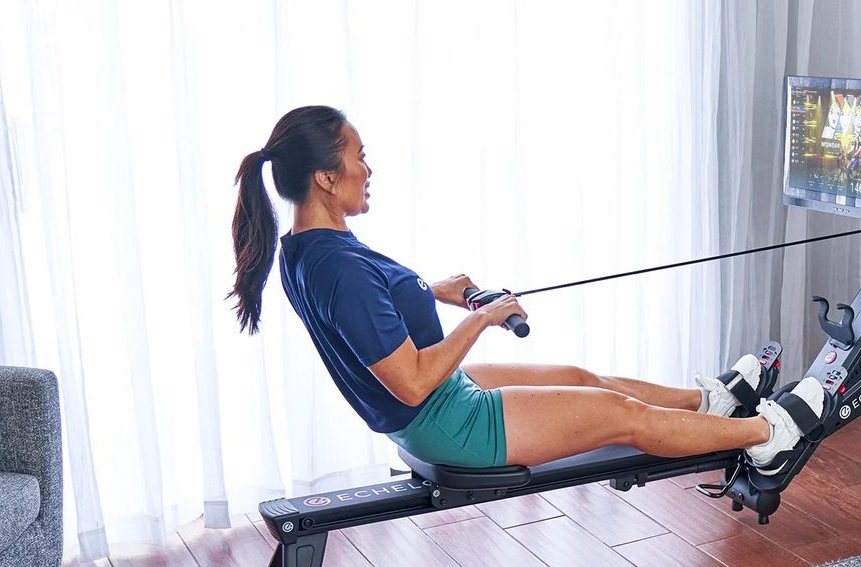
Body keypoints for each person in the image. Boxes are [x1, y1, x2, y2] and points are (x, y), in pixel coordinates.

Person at [227, 105, 825, 472]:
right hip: (444, 418)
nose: (369, 169)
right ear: (327, 178)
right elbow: (408, 378)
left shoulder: (304, 249)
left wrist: (430, 290)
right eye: (361, 157)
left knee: (581, 378)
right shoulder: (337, 268)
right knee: (623, 416)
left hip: (436, 404)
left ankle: (709, 404)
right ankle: (768, 435)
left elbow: (360, 316)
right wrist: (481, 321)